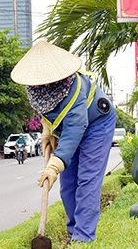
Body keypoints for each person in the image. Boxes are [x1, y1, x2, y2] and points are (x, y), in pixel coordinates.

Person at [11, 40, 116, 244]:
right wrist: (47, 132)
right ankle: (73, 232)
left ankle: (83, 238)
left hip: (97, 125)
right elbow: (50, 116)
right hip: (70, 131)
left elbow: (75, 129)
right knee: (68, 185)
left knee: (87, 181)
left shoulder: (74, 90)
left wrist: (54, 165)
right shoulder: (36, 92)